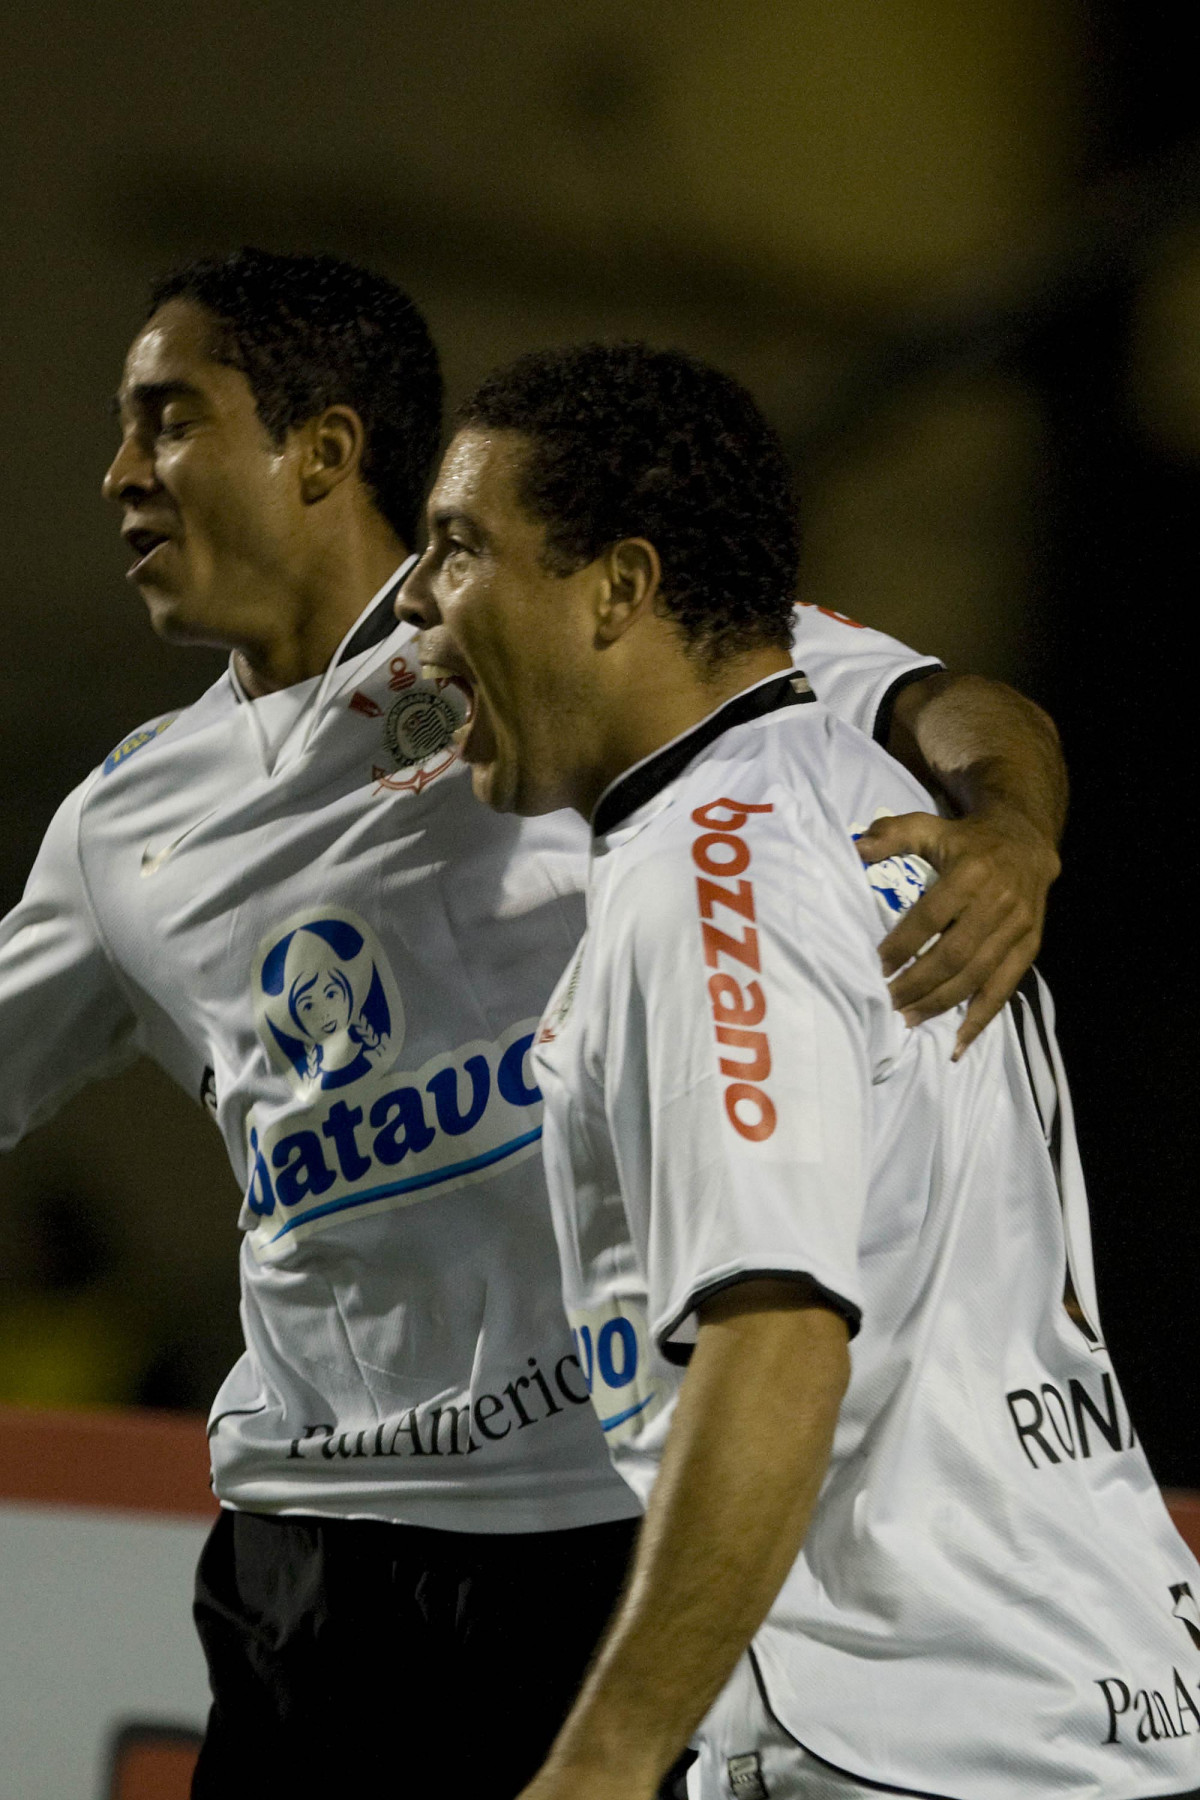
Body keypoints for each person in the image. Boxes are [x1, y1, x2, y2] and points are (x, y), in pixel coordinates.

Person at [0, 249, 1064, 1798]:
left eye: (168, 421)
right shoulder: (121, 825)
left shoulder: (557, 631)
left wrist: (1012, 830)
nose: (118, 474)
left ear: (324, 449)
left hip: (604, 1516)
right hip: (317, 1546)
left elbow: (947, 703)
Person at [399, 340, 1200, 1800]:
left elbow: (779, 1340)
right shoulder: (865, 794)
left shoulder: (715, 878)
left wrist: (602, 1765)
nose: (415, 602)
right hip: (1096, 1690)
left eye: (459, 549)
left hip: (912, 1741)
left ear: (621, 589)